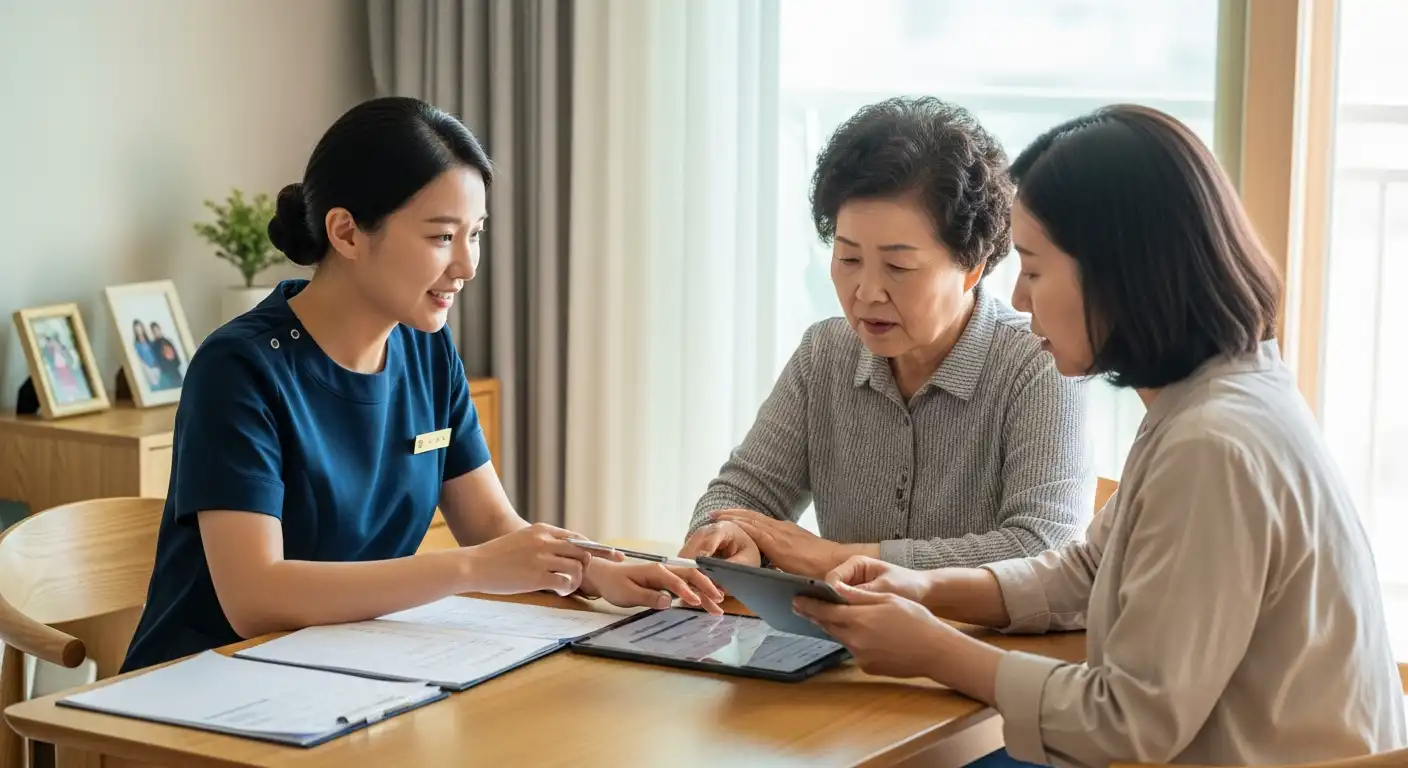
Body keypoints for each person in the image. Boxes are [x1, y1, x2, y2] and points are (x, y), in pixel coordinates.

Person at [793, 105, 1407, 767]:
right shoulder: (1219, 398)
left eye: (1031, 269)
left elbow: (1129, 721)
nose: (1020, 301)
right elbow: (1090, 570)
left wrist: (936, 650)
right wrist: (927, 589)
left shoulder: (1212, 445)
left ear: (1118, 273)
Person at [121, 96, 723, 673]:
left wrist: (596, 571)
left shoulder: (426, 350)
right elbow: (254, 596)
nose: (467, 265)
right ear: (347, 233)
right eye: (441, 236)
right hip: (200, 691)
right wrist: (470, 570)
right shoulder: (239, 369)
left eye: (476, 233)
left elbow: (492, 527)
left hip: (343, 672)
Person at [680, 97, 1091, 578]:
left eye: (899, 267)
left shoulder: (1038, 363)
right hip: (843, 643)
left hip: (976, 647)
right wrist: (732, 536)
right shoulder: (825, 354)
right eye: (849, 259)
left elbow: (1043, 547)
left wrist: (844, 559)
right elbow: (743, 494)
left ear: (972, 267)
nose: (867, 293)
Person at [148, 321, 184, 390]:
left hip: (175, 371)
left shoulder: (167, 341)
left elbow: (176, 356)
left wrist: (175, 365)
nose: (156, 332)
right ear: (152, 333)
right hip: (166, 373)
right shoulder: (153, 346)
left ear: (160, 329)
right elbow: (157, 360)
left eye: (157, 330)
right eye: (154, 331)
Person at [131, 320, 161, 387]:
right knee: (155, 385)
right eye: (137, 329)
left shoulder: (149, 341)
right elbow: (140, 358)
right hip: (148, 368)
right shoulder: (137, 344)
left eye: (140, 328)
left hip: (156, 366)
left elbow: (154, 353)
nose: (139, 331)